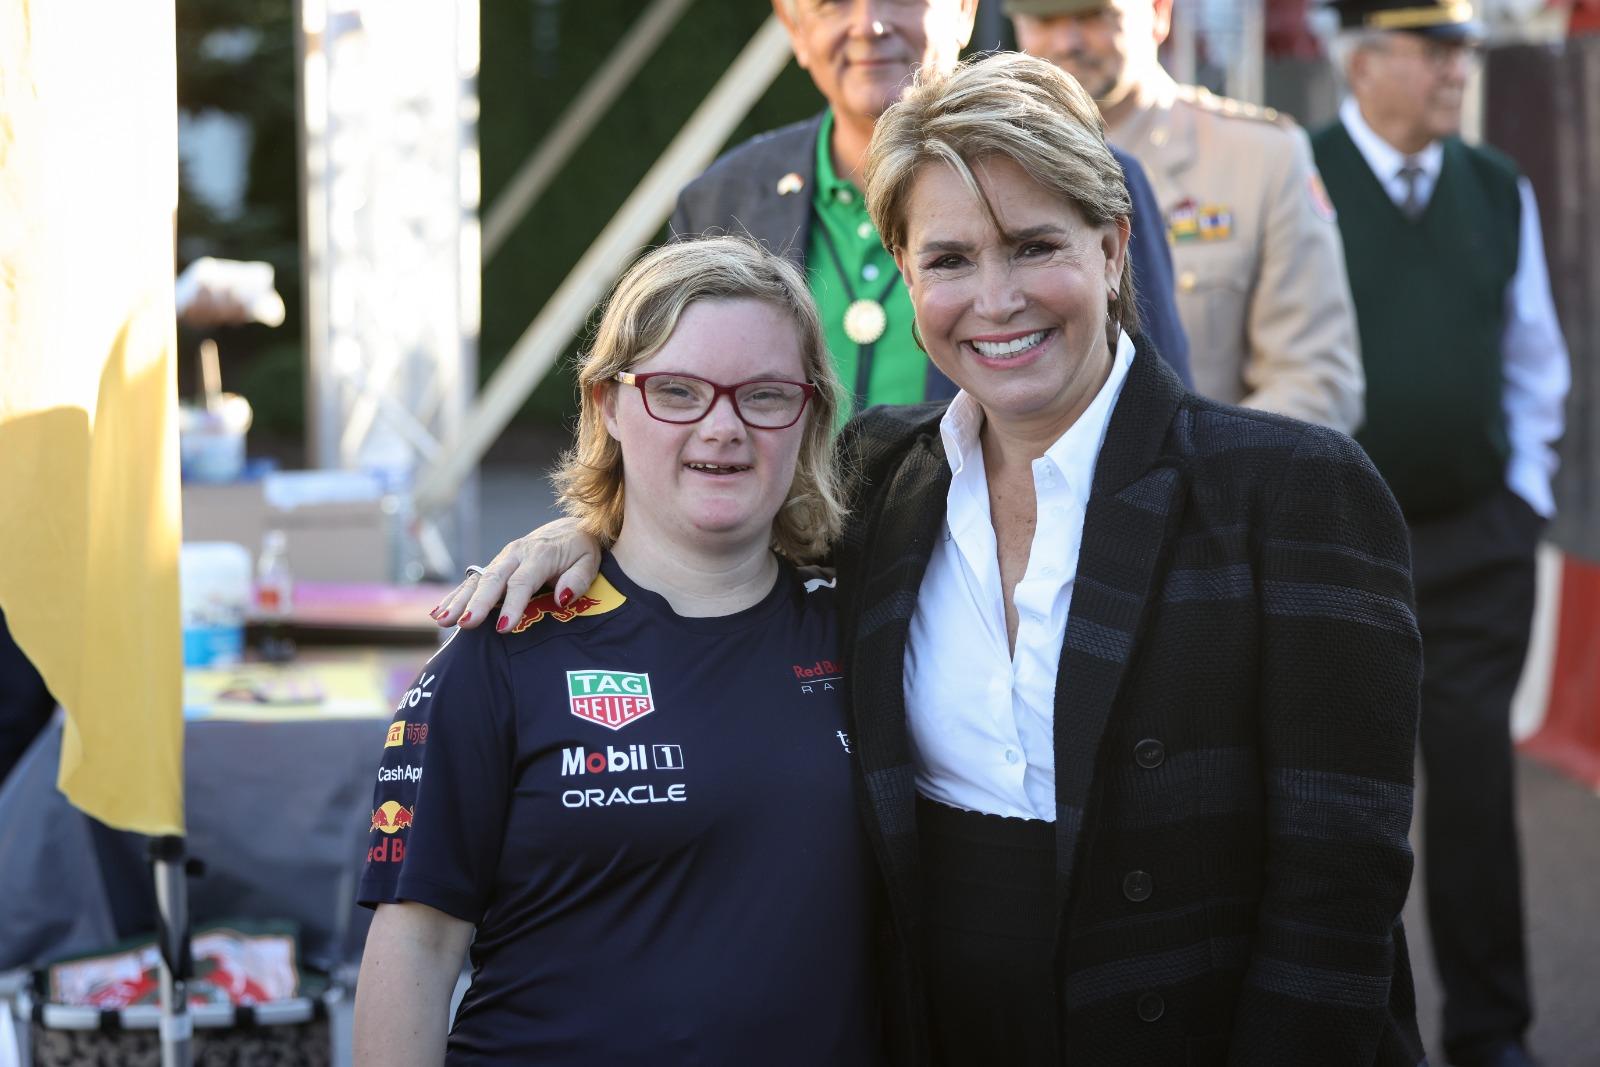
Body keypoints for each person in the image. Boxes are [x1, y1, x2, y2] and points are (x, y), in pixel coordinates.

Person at [443, 53, 1425, 1064]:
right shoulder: (878, 474)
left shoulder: (1294, 491)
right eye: (950, 259)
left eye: (1033, 246)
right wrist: (585, 532)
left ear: (1112, 248)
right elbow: (705, 519)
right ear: (906, 274)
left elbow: (1337, 891)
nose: (995, 300)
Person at [355, 237, 883, 1065]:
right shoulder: (505, 646)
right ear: (607, 402)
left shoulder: (870, 631)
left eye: (766, 395)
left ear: (810, 414)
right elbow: (417, 946)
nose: (723, 427)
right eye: (677, 391)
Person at [1316, 3, 1571, 1064]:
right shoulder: (1302, 175)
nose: (1456, 70)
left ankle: (1491, 1031)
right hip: (1336, 554)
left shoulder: (1495, 187)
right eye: (1433, 51)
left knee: (1473, 799)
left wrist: (1521, 496)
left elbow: (1534, 358)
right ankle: (1347, 1033)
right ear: (1363, 63)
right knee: (1333, 812)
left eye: (1462, 50)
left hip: (1475, 545)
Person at [676, 0, 1193, 413]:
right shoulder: (721, 199)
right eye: (832, 3)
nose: (869, 25)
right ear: (794, 26)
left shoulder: (1092, 178)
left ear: (964, 11)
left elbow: (1156, 407)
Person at [1005, 0, 1365, 431]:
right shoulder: (978, 169)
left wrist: (1192, 466)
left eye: (1095, 16)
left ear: (1159, 12)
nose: (1068, 41)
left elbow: (1316, 383)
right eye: (1045, 19)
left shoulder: (1261, 158)